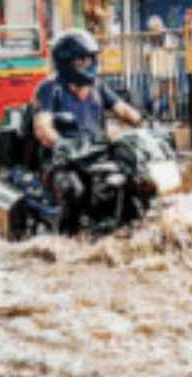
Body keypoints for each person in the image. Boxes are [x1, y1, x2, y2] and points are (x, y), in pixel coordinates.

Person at [34, 29, 145, 234]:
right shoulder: (50, 88)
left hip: (97, 153)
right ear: (65, 62)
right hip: (62, 160)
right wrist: (59, 143)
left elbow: (122, 108)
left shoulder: (97, 86)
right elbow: (43, 125)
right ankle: (66, 239)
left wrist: (143, 123)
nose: (86, 65)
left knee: (134, 178)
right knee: (73, 189)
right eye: (79, 61)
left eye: (89, 59)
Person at [146, 15, 178, 120]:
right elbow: (146, 53)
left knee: (170, 94)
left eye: (154, 28)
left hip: (168, 67)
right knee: (156, 94)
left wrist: (163, 47)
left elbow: (173, 46)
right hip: (156, 69)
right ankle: (157, 116)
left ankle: (172, 116)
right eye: (151, 29)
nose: (153, 30)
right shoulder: (150, 38)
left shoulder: (168, 35)